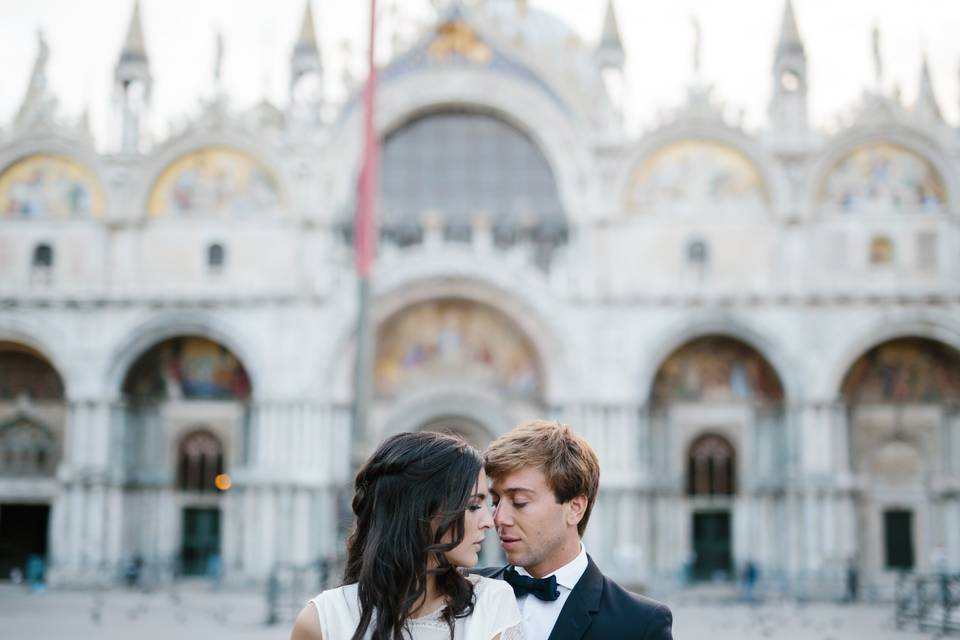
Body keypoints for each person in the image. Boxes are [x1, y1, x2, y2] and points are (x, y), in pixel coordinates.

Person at [291, 431, 522, 640]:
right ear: (419, 510)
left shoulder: (491, 605)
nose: (490, 522)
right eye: (472, 506)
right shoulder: (324, 620)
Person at [478, 420, 672, 640]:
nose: (498, 518)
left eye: (520, 501)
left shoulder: (639, 623)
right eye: (495, 502)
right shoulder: (464, 592)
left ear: (575, 508)